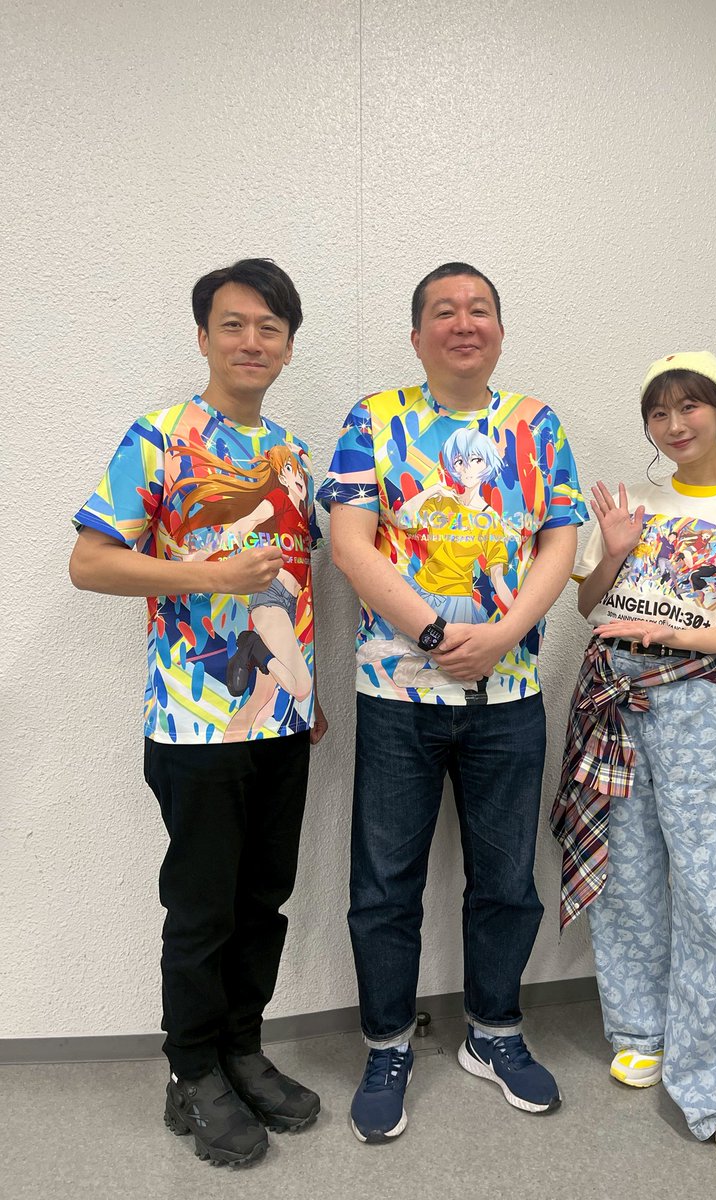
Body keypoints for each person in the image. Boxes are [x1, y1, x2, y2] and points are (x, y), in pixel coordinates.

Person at [319, 262, 587, 1143]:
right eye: (444, 311)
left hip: (510, 694)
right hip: (396, 692)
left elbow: (560, 538)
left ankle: (494, 1031)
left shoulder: (536, 424)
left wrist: (504, 633)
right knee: (383, 885)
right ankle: (387, 1043)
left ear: (500, 331)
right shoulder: (374, 418)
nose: (463, 322)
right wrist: (436, 634)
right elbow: (351, 544)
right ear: (417, 335)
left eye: (479, 310)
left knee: (507, 880)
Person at [69, 258, 326, 1168]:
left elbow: (302, 584)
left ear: (289, 348)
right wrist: (206, 575)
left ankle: (241, 1050)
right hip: (192, 721)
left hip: (282, 718)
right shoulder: (161, 437)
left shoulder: (294, 455)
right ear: (205, 336)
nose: (252, 341)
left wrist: (307, 691)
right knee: (203, 907)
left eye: (270, 328)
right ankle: (191, 1071)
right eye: (234, 324)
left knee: (264, 899)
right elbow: (90, 561)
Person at [551, 351, 716, 1157]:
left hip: (697, 704)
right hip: (612, 701)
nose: (674, 425)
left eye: (689, 406)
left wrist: (676, 634)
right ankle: (641, 1028)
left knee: (711, 891)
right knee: (628, 875)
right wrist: (615, 549)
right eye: (658, 413)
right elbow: (589, 603)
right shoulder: (635, 504)